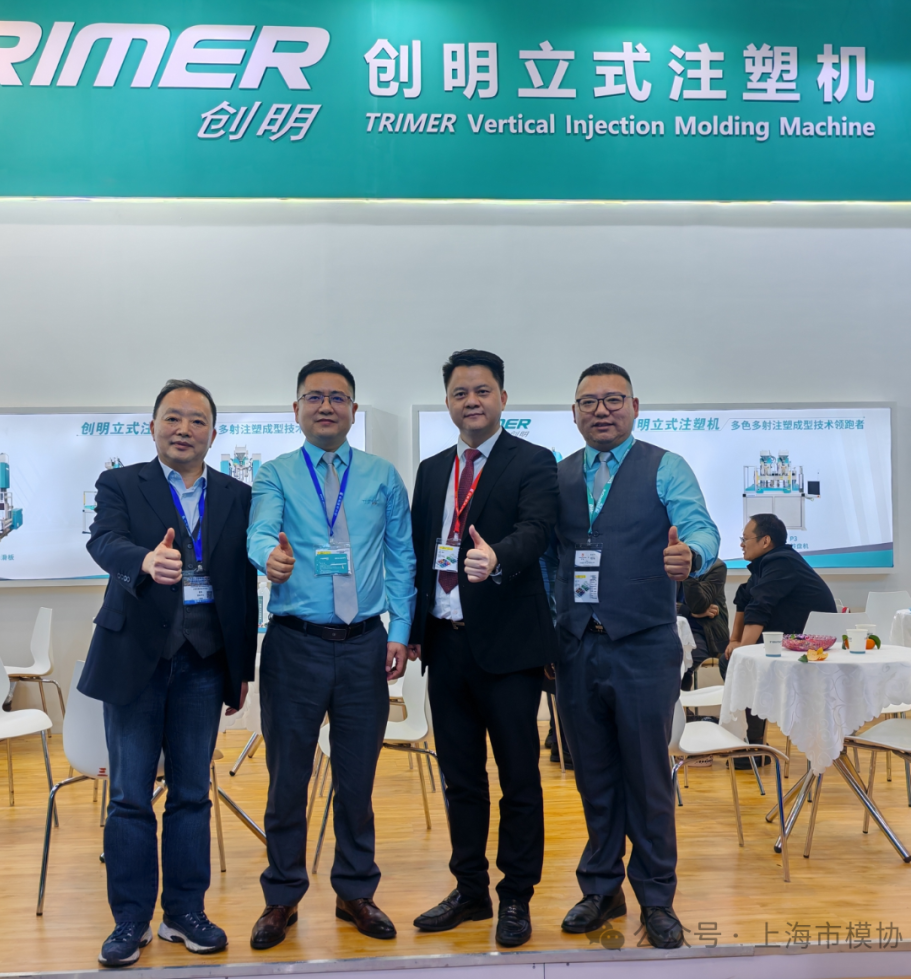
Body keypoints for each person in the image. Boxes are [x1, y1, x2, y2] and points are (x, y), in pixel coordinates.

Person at [80, 379, 258, 968]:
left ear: (214, 432)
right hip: (135, 657)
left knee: (191, 794)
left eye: (197, 420)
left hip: (204, 663)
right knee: (130, 796)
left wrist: (241, 669)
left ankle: (184, 912)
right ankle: (131, 919)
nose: (184, 429)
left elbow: (242, 585)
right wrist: (143, 560)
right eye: (173, 418)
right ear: (152, 425)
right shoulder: (121, 483)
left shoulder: (236, 493)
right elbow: (104, 540)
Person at [246, 358, 416, 950]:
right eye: (314, 397)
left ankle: (355, 892)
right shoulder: (274, 474)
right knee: (287, 779)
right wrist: (269, 557)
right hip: (294, 645)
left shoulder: (381, 476)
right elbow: (260, 531)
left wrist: (400, 630)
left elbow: (402, 556)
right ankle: (281, 896)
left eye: (337, 397)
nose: (326, 406)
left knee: (357, 779)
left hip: (365, 644)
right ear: (295, 409)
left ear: (353, 409)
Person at [550, 363, 719, 949]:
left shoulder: (665, 466)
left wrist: (691, 555)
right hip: (577, 646)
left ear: (635, 406)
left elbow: (701, 528)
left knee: (646, 776)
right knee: (593, 774)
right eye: (589, 402)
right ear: (574, 412)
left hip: (643, 644)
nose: (602, 410)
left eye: (613, 399)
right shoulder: (559, 475)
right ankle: (601, 887)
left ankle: (656, 896)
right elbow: (551, 557)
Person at [408, 349, 559, 948]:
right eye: (460, 393)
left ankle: (515, 895)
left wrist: (498, 558)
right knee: (460, 780)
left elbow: (536, 531)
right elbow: (419, 553)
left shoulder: (533, 461)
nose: (471, 401)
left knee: (518, 778)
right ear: (448, 402)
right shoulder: (431, 470)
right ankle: (469, 889)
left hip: (509, 651)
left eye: (482, 391)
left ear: (502, 398)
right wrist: (411, 632)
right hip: (445, 646)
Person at [723, 513, 836, 745]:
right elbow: (744, 598)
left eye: (745, 539)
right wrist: (734, 641)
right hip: (791, 642)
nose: (741, 544)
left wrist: (742, 652)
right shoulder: (766, 564)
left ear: (765, 541)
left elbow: (759, 606)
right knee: (734, 661)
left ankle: (753, 744)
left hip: (811, 650)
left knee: (739, 664)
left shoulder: (782, 561)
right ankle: (752, 742)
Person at [678, 557, 729, 691]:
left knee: (682, 663)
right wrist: (686, 611)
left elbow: (699, 605)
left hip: (704, 630)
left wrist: (689, 571)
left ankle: (679, 702)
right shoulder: (664, 566)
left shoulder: (716, 566)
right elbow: (655, 602)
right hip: (671, 626)